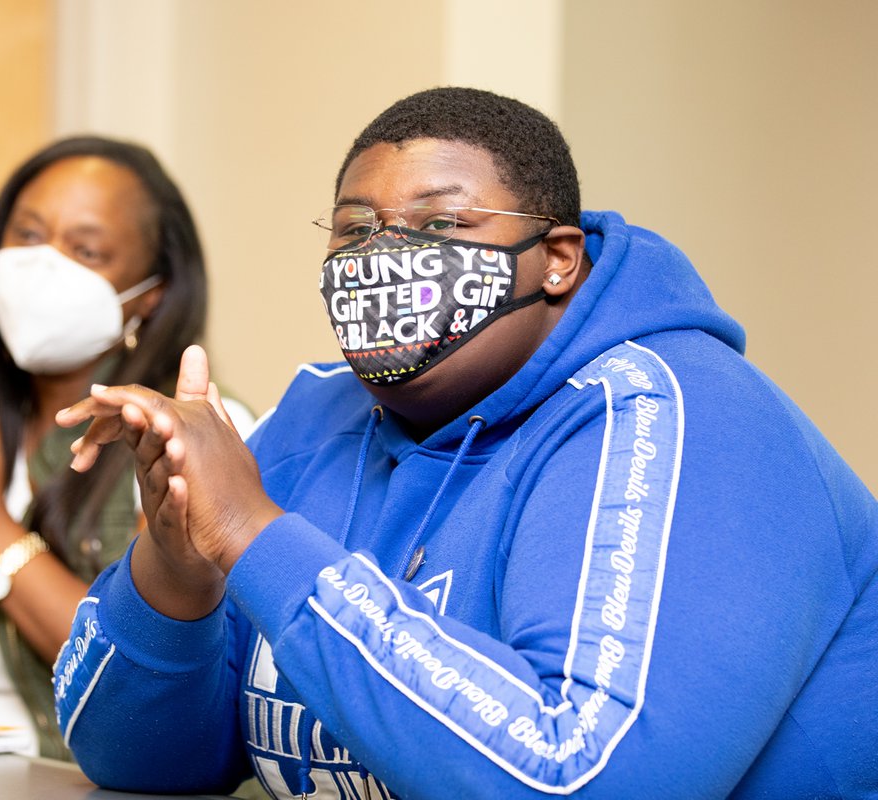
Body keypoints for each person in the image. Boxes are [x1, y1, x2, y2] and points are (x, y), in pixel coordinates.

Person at [49, 88, 878, 798]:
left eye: (441, 223)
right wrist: (178, 560)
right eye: (355, 229)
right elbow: (138, 760)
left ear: (557, 260)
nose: (387, 259)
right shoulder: (313, 420)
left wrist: (253, 536)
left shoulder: (678, 419)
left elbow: (582, 776)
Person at [0, 135, 250, 760]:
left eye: (85, 249)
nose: (44, 265)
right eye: (29, 235)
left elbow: (138, 674)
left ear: (152, 293)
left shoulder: (195, 432)